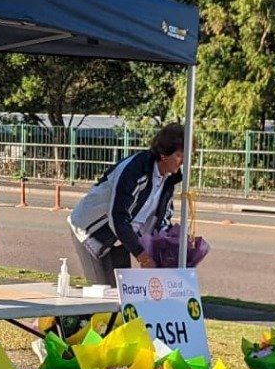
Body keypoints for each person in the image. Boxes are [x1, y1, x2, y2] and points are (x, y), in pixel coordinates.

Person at [67, 122, 186, 285]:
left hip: (123, 237)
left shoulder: (168, 180)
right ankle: (68, 311)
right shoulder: (136, 170)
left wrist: (167, 248)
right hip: (91, 231)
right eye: (180, 155)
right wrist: (142, 256)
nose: (183, 162)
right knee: (103, 295)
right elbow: (117, 216)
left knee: (122, 295)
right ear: (164, 153)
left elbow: (161, 220)